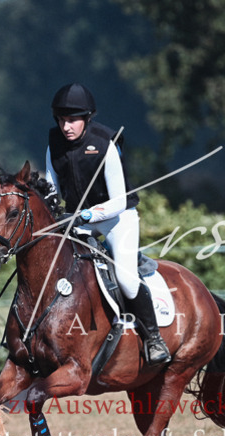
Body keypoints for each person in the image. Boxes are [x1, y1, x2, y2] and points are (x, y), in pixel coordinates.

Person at [44, 82, 170, 364]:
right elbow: (51, 185)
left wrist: (88, 214)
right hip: (79, 220)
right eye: (62, 120)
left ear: (87, 118)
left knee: (125, 279)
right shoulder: (54, 142)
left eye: (73, 120)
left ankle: (154, 339)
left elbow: (119, 201)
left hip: (117, 219)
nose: (67, 127)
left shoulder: (105, 143)